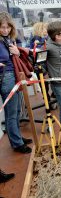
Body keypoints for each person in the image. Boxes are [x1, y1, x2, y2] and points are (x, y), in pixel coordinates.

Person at [0, 12, 32, 153]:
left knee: (17, 110)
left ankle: (17, 137)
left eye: (7, 27)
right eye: (2, 27)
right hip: (6, 77)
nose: (5, 30)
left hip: (15, 75)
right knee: (11, 112)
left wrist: (17, 52)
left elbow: (16, 54)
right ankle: (17, 143)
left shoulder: (8, 39)